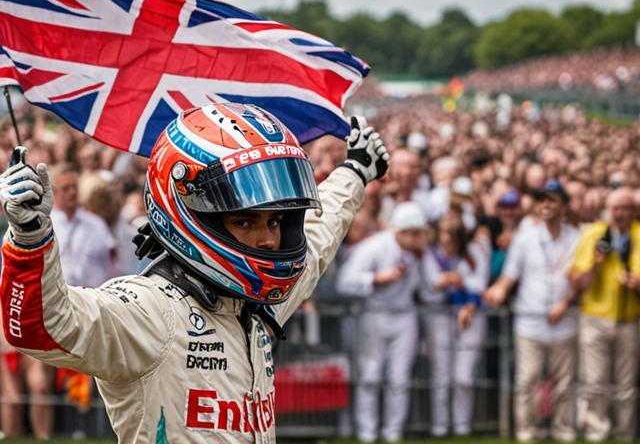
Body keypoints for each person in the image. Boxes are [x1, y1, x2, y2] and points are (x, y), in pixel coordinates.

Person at [0, 103, 389, 443]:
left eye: (275, 222)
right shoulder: (149, 309)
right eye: (245, 221)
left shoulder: (258, 306)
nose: (269, 240)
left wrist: (354, 172)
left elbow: (319, 237)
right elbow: (44, 327)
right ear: (191, 214)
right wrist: (30, 237)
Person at [484, 179, 581, 442]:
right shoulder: (524, 239)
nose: (546, 205)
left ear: (564, 206)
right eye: (541, 200)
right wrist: (499, 290)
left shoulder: (577, 238)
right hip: (530, 322)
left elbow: (584, 280)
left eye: (552, 200)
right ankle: (527, 433)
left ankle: (563, 431)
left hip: (565, 321)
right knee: (527, 382)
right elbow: (509, 275)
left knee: (563, 384)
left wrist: (567, 301)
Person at [337, 201, 427, 443]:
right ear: (399, 232)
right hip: (374, 314)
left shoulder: (420, 252)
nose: (419, 238)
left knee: (399, 378)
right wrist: (376, 278)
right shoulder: (373, 247)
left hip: (405, 315)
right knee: (370, 375)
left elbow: (428, 288)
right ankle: (367, 432)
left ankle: (393, 433)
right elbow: (344, 282)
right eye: (414, 233)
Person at [572, 187, 640, 441]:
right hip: (595, 317)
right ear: (607, 210)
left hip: (628, 318)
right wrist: (596, 264)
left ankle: (624, 432)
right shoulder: (593, 235)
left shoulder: (638, 234)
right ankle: (596, 431)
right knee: (595, 381)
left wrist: (636, 283)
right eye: (615, 208)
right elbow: (578, 282)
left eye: (625, 208)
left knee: (626, 384)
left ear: (633, 211)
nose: (620, 213)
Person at [419, 215, 491, 437]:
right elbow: (433, 282)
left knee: (463, 377)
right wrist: (452, 279)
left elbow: (480, 283)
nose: (446, 246)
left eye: (451, 241)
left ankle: (461, 427)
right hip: (439, 314)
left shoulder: (474, 251)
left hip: (469, 314)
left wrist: (460, 283)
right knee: (441, 374)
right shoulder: (430, 252)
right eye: (443, 240)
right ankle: (440, 427)